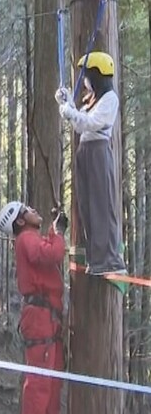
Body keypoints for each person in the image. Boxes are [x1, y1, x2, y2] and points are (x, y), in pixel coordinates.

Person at [0, 201, 66, 414]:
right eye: (29, 211)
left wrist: (54, 231)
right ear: (21, 221)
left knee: (53, 377)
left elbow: (47, 250)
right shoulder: (26, 238)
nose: (36, 211)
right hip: (40, 317)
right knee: (40, 379)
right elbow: (50, 254)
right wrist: (59, 234)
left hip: (48, 316)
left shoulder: (32, 237)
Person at [55, 51, 126, 275]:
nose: (84, 80)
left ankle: (109, 258)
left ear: (97, 75)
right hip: (85, 150)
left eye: (87, 75)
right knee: (87, 205)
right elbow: (79, 124)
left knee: (101, 204)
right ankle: (96, 258)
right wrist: (68, 105)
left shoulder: (109, 99)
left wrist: (71, 113)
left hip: (98, 150)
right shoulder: (93, 99)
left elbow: (93, 123)